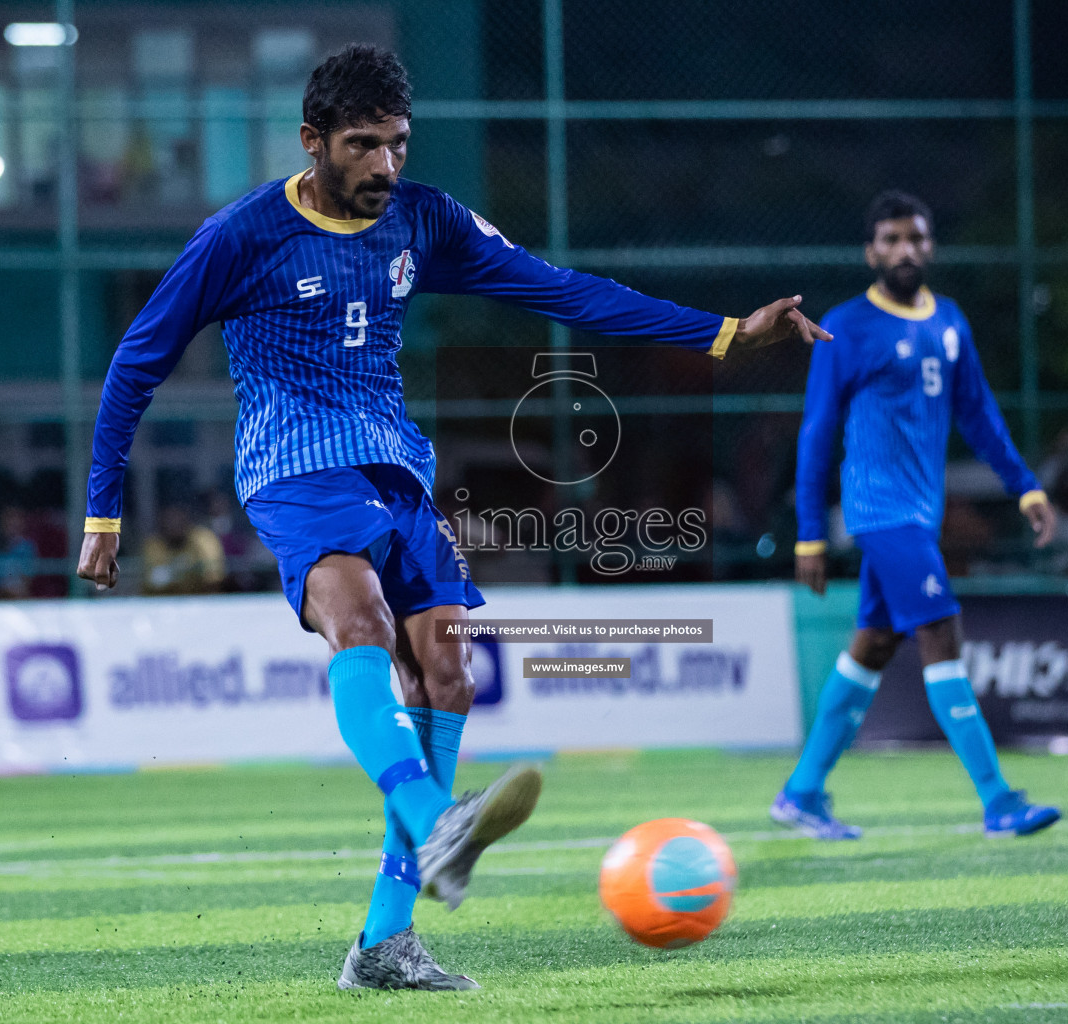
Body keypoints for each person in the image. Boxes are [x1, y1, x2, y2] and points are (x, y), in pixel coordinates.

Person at [75, 45, 826, 991]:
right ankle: (436, 818)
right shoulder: (242, 236)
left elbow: (562, 289)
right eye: (362, 146)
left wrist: (720, 332)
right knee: (364, 623)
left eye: (397, 144)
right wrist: (102, 510)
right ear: (313, 143)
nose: (385, 166)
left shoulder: (423, 219)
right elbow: (135, 362)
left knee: (446, 669)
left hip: (396, 466)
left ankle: (385, 944)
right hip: (294, 465)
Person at [788, 190, 1062, 841]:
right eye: (890, 239)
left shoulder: (950, 321)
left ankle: (800, 792)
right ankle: (998, 800)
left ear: (930, 245)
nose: (904, 250)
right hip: (880, 512)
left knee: (875, 645)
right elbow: (816, 432)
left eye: (914, 237)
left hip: (921, 511)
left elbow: (980, 414)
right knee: (941, 631)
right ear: (870, 251)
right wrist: (806, 533)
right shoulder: (845, 326)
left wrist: (1025, 486)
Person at [142, 502, 227, 595]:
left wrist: (183, 572)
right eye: (169, 521)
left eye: (178, 519)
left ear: (186, 520)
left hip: (201, 599)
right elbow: (152, 581)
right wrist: (184, 572)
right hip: (164, 603)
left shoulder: (202, 539)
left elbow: (214, 575)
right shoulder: (154, 545)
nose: (174, 525)